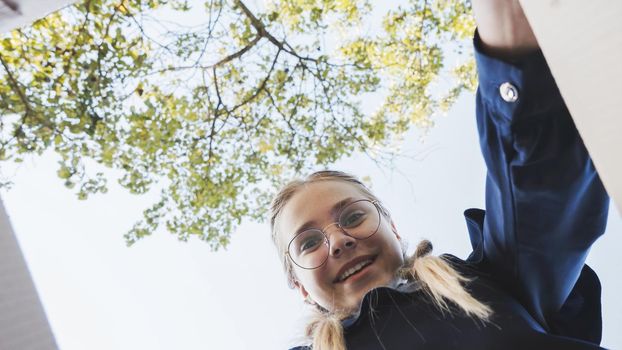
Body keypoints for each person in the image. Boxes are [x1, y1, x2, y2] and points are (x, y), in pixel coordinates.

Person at [268, 0, 610, 349]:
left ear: (394, 230)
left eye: (353, 216)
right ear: (299, 285)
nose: (339, 241)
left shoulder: (492, 279)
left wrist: (508, 41)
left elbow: (541, 183)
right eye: (309, 242)